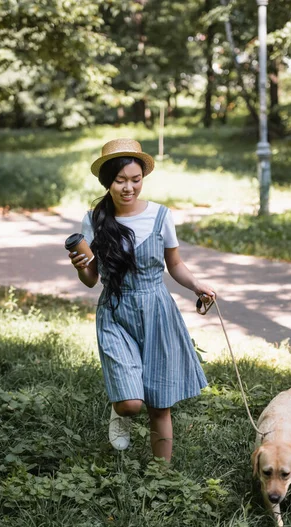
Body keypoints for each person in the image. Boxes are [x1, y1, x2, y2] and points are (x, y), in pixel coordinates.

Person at [69, 138, 215, 463]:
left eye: (135, 180)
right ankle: (119, 409)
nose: (128, 188)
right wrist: (81, 268)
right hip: (116, 312)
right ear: (108, 181)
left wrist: (197, 286)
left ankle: (161, 477)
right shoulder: (93, 221)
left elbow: (174, 265)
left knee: (159, 404)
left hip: (157, 311)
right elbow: (91, 280)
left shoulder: (161, 216)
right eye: (121, 181)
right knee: (131, 403)